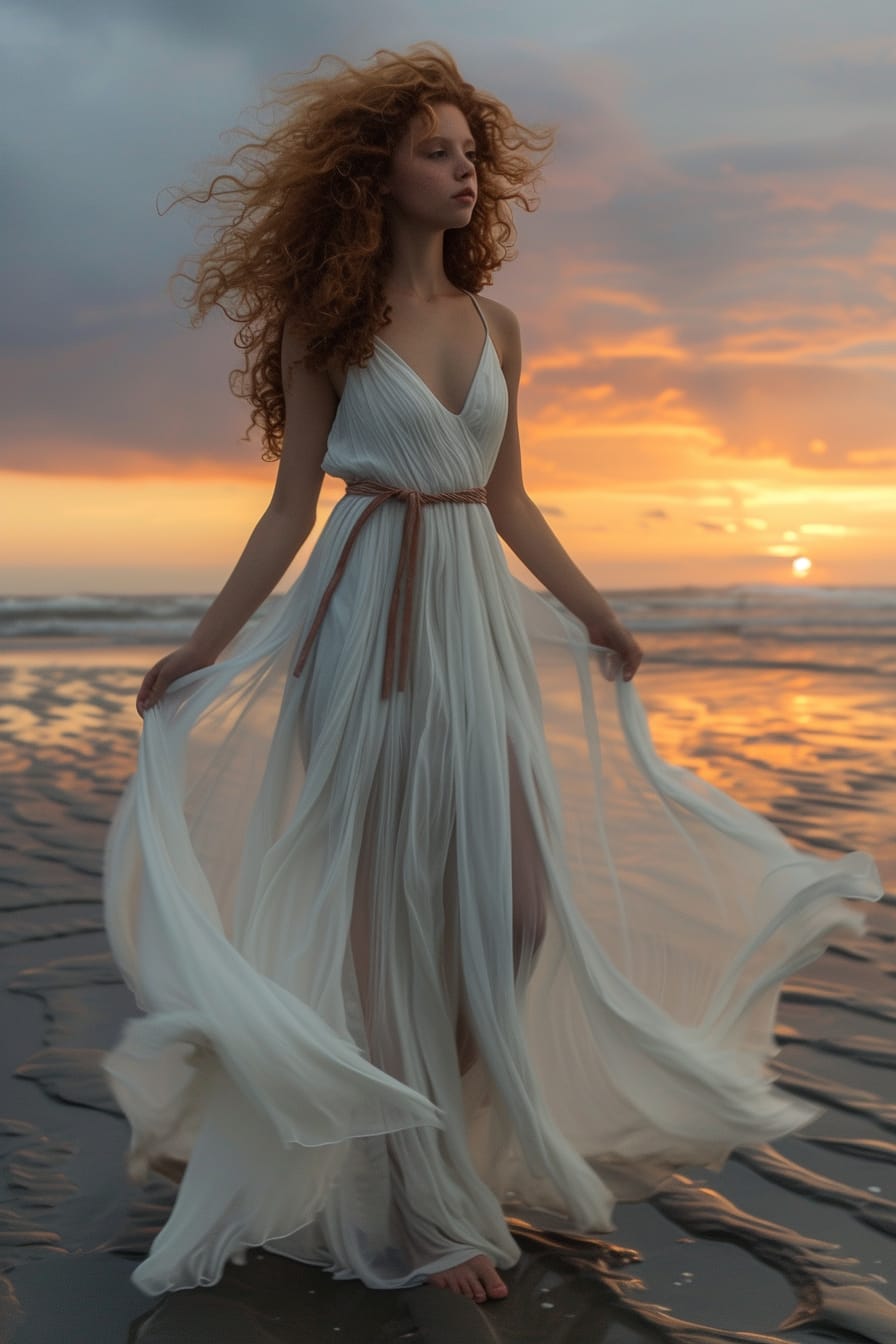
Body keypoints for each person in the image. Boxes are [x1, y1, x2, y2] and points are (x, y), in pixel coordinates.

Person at [102, 43, 882, 1308]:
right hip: (365, 630)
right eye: (435, 153)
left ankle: (416, 1142)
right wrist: (202, 645)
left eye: (471, 155)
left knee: (511, 916)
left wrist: (596, 611)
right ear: (377, 173)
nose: (463, 174)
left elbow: (508, 502)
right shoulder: (328, 322)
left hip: (474, 632)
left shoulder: (498, 325)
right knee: (383, 932)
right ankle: (421, 1203)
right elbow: (289, 510)